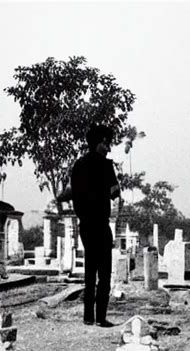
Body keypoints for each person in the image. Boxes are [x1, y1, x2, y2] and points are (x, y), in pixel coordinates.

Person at [71, 124, 120, 327]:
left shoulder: (78, 165)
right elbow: (115, 194)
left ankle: (88, 317)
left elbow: (72, 195)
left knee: (90, 272)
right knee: (105, 272)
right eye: (106, 142)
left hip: (85, 224)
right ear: (99, 142)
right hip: (100, 223)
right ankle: (100, 317)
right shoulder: (106, 166)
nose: (108, 147)